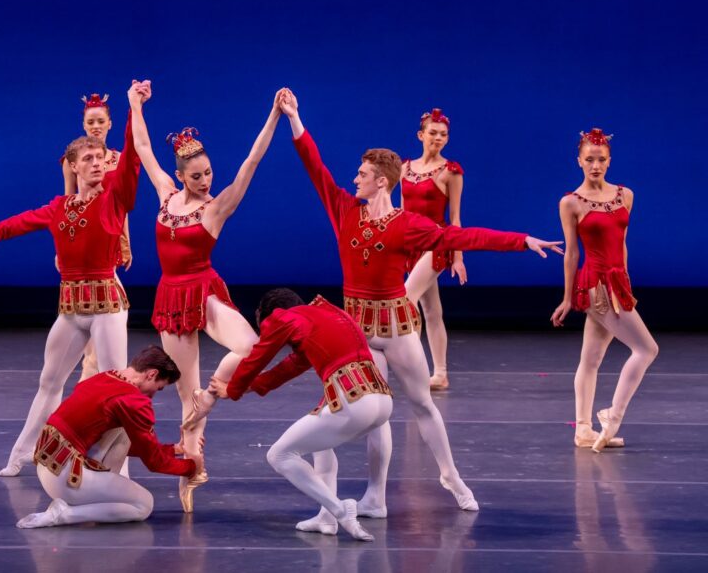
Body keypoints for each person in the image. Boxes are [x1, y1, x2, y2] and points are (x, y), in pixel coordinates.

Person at [279, 88, 562, 513]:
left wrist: (522, 241)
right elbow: (313, 165)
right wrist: (295, 118)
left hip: (395, 327)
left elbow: (461, 235)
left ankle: (450, 476)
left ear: (381, 181)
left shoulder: (407, 225)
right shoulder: (344, 209)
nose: (354, 178)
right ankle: (375, 496)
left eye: (361, 174)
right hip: (356, 326)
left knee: (422, 403)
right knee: (377, 413)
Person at [0, 85, 142, 477]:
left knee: (115, 385)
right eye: (89, 159)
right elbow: (23, 221)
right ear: (73, 166)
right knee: (49, 381)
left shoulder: (113, 200)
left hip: (107, 309)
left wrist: (133, 108)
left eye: (100, 158)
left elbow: (130, 158)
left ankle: (117, 467)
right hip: (71, 309)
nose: (98, 162)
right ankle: (22, 452)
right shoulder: (58, 207)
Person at [127, 79, 282, 511]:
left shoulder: (214, 208)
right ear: (180, 176)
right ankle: (192, 471)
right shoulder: (164, 195)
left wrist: (274, 115)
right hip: (170, 297)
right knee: (184, 394)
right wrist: (134, 104)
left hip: (204, 290)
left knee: (250, 347)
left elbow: (251, 162)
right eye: (196, 176)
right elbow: (142, 148)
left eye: (208, 173)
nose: (204, 180)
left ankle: (214, 393)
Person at [209, 289, 393, 541]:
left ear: (270, 315)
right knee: (321, 445)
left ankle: (339, 509)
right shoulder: (328, 314)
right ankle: (326, 519)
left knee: (279, 455)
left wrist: (233, 389)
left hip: (355, 402)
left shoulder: (281, 318)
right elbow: (291, 366)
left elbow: (256, 358)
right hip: (381, 401)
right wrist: (251, 387)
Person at [551, 128, 658, 451]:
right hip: (596, 286)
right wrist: (568, 297)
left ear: (609, 162)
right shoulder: (571, 202)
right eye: (589, 159)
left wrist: (624, 281)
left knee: (592, 358)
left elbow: (621, 243)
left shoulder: (625, 195)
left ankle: (583, 429)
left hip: (616, 284)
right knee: (647, 349)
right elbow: (572, 253)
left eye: (601, 159)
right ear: (579, 161)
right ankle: (613, 414)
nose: (595, 165)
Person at [18, 346, 202, 528]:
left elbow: (133, 443)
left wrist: (173, 450)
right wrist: (192, 467)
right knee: (144, 504)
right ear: (151, 374)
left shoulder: (103, 378)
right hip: (66, 479)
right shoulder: (134, 401)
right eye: (158, 388)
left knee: (123, 430)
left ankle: (89, 495)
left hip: (48, 467)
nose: (154, 394)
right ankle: (64, 514)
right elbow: (154, 462)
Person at [61, 93, 133, 382]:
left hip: (109, 241)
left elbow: (122, 206)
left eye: (100, 121)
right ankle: (91, 384)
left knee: (102, 316)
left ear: (110, 124)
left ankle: (91, 382)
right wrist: (63, 246)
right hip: (82, 241)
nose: (96, 126)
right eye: (90, 122)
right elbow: (66, 202)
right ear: (83, 124)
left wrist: (126, 242)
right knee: (92, 317)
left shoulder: (115, 160)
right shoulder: (74, 160)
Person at [401, 109, 464, 390]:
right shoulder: (404, 168)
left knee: (405, 300)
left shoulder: (450, 172)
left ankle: (414, 371)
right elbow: (401, 212)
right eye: (433, 133)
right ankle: (440, 373)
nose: (438, 138)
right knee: (432, 311)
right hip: (410, 245)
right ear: (421, 135)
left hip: (437, 244)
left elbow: (455, 219)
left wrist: (458, 256)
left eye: (443, 134)